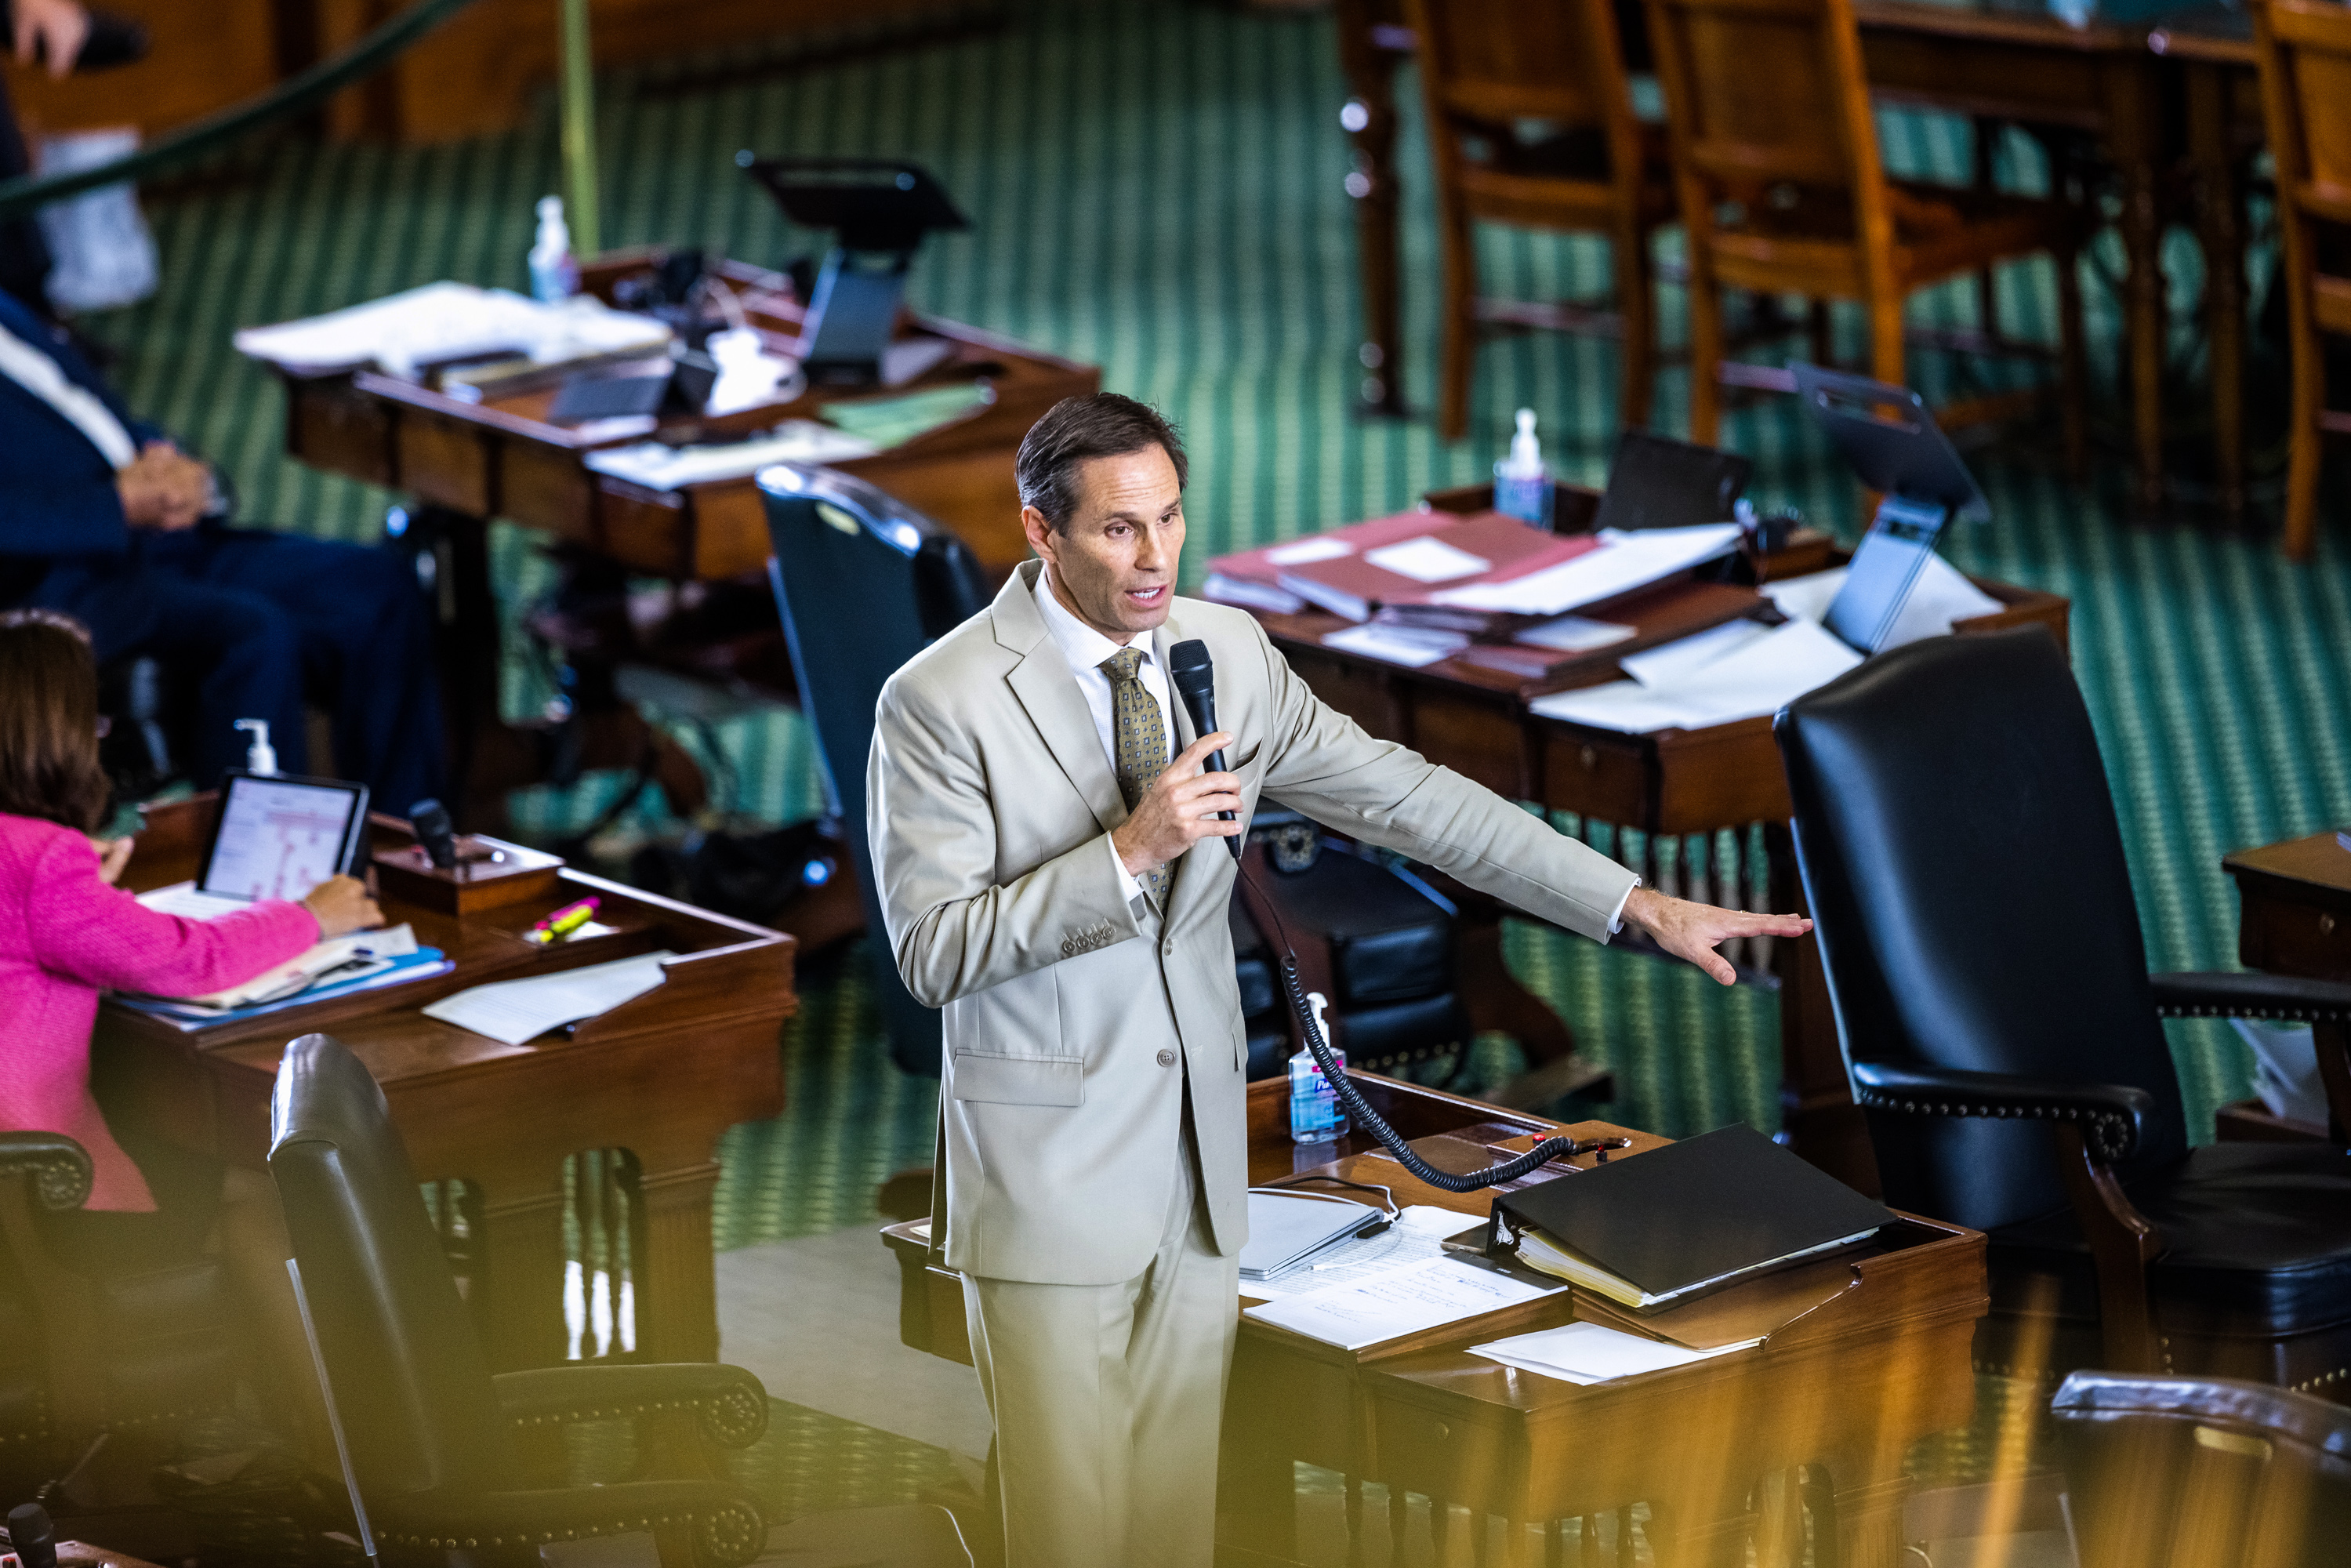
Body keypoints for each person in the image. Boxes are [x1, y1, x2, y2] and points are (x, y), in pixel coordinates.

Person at [866, 392, 1813, 1568]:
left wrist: (1631, 902)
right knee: (1068, 1537)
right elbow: (932, 953)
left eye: (1167, 519)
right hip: (1050, 1186)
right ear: (1037, 531)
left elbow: (1414, 802)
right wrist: (1128, 849)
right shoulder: (937, 702)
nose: (1154, 556)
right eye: (1118, 530)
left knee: (1171, 1534)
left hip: (1201, 1176)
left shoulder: (1227, 654)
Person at [0, 608, 379, 1442]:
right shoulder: (41, 862)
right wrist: (311, 913)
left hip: (13, 1185)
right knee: (257, 1194)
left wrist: (82, 891)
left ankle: (280, 1444)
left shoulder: (36, 860)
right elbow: (189, 961)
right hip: (38, 1187)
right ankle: (346, 1468)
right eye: (91, 720)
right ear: (52, 733)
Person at [0, 281, 445, 810]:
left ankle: (411, 856)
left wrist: (179, 469)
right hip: (57, 582)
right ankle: (262, 880)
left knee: (376, 587)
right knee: (252, 634)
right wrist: (115, 507)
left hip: (161, 538)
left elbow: (93, 417)